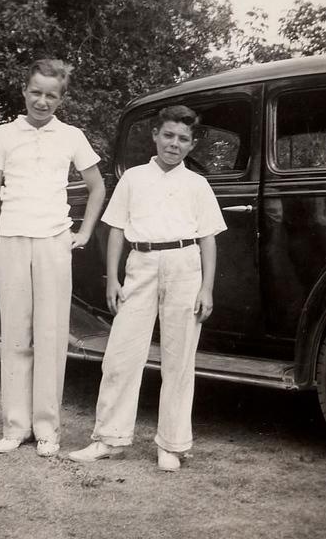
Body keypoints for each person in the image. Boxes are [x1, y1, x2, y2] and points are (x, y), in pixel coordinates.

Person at [69, 105, 227, 471]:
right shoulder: (133, 178)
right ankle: (109, 438)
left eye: (183, 139)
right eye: (168, 135)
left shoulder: (197, 185)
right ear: (155, 135)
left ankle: (171, 444)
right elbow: (117, 230)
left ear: (191, 145)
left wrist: (206, 289)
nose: (174, 144)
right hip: (141, 264)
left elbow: (208, 240)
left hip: (185, 266)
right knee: (121, 354)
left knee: (179, 358)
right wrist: (113, 277)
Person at [0, 58, 105, 456]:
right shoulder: (2, 135)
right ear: (24, 91)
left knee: (51, 335)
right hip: (12, 240)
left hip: (54, 241)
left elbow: (97, 187)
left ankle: (47, 429)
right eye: (36, 92)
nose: (42, 101)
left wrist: (82, 233)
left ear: (61, 98)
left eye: (51, 95)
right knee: (16, 333)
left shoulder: (71, 136)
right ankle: (15, 426)